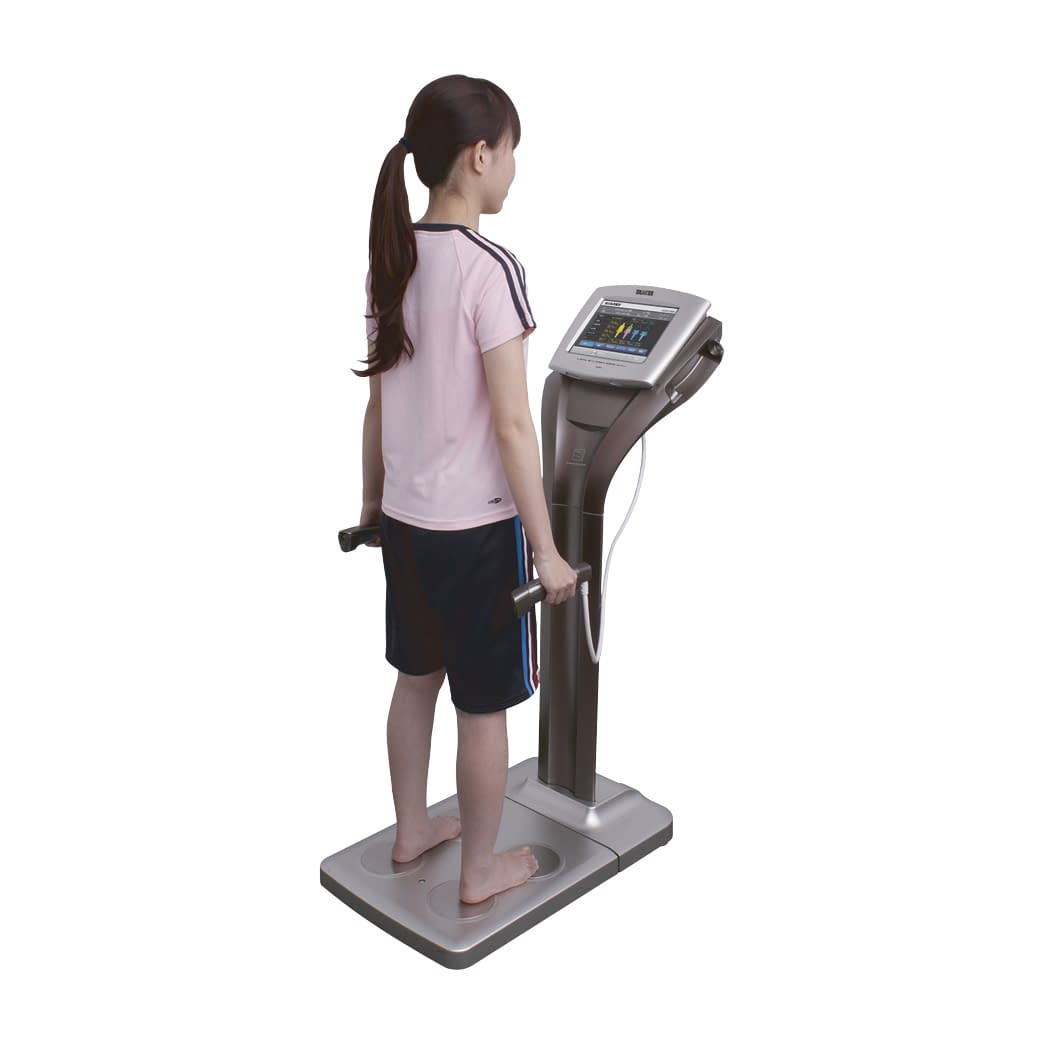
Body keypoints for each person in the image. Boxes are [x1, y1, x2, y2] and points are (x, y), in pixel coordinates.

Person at [352, 75, 577, 905]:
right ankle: (480, 871)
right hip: (477, 535)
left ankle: (413, 828)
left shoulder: (392, 259)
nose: (513, 168)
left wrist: (371, 503)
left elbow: (379, 403)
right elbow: (514, 424)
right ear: (480, 156)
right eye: (511, 152)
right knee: (483, 708)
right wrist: (546, 553)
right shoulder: (490, 268)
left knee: (417, 680)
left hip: (406, 523)